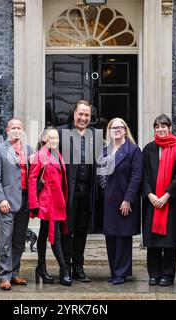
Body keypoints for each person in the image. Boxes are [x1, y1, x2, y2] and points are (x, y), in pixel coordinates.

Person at [58, 100, 101, 282]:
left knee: (82, 230)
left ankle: (78, 267)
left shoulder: (95, 135)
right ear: (74, 113)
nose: (83, 118)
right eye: (80, 114)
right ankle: (65, 267)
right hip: (67, 192)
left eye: (87, 115)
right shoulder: (61, 133)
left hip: (87, 193)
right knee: (67, 230)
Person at [141, 114, 176, 287]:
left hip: (170, 202)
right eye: (157, 127)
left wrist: (167, 195)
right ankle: (154, 274)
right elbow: (142, 174)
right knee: (152, 241)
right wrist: (150, 195)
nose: (160, 129)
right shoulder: (148, 149)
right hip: (152, 201)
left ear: (170, 128)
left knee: (169, 241)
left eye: (163, 126)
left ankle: (167, 275)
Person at [0, 118, 33, 290]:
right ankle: (4, 276)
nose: (16, 130)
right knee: (6, 240)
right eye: (13, 128)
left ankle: (14, 273)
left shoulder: (28, 150)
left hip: (25, 200)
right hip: (7, 201)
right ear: (7, 131)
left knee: (19, 241)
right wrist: (1, 199)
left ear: (23, 131)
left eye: (19, 128)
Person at [97, 118, 143, 285]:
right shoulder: (105, 151)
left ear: (125, 130)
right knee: (111, 237)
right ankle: (114, 271)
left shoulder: (133, 150)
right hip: (108, 199)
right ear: (109, 131)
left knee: (123, 237)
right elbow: (100, 173)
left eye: (119, 127)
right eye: (112, 127)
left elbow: (136, 177)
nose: (116, 130)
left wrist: (128, 199)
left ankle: (122, 273)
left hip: (124, 200)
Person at [28, 127, 71, 286]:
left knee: (44, 234)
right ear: (44, 139)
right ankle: (64, 269)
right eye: (51, 138)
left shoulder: (57, 154)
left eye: (56, 138)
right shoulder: (40, 155)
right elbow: (32, 179)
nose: (54, 140)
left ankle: (41, 268)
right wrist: (34, 204)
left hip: (58, 201)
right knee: (55, 235)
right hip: (48, 203)